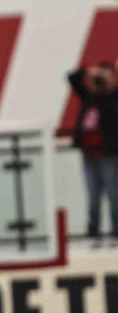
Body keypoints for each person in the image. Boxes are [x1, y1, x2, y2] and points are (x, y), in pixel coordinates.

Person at [68, 62, 118, 244]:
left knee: (114, 194)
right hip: (89, 154)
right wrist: (89, 71)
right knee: (93, 194)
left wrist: (105, 89)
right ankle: (94, 230)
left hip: (108, 154)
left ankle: (116, 231)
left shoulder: (113, 97)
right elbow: (72, 78)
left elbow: (111, 113)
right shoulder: (89, 96)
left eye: (105, 76)